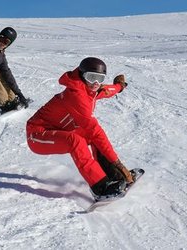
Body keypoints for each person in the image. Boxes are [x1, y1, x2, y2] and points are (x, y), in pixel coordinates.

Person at [25, 57, 134, 199]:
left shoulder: (90, 88)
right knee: (76, 140)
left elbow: (107, 90)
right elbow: (95, 131)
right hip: (37, 135)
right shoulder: (76, 96)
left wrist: (119, 86)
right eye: (91, 77)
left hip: (60, 129)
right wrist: (118, 163)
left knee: (90, 138)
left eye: (99, 78)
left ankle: (113, 175)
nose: (96, 83)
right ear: (82, 75)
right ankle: (100, 187)